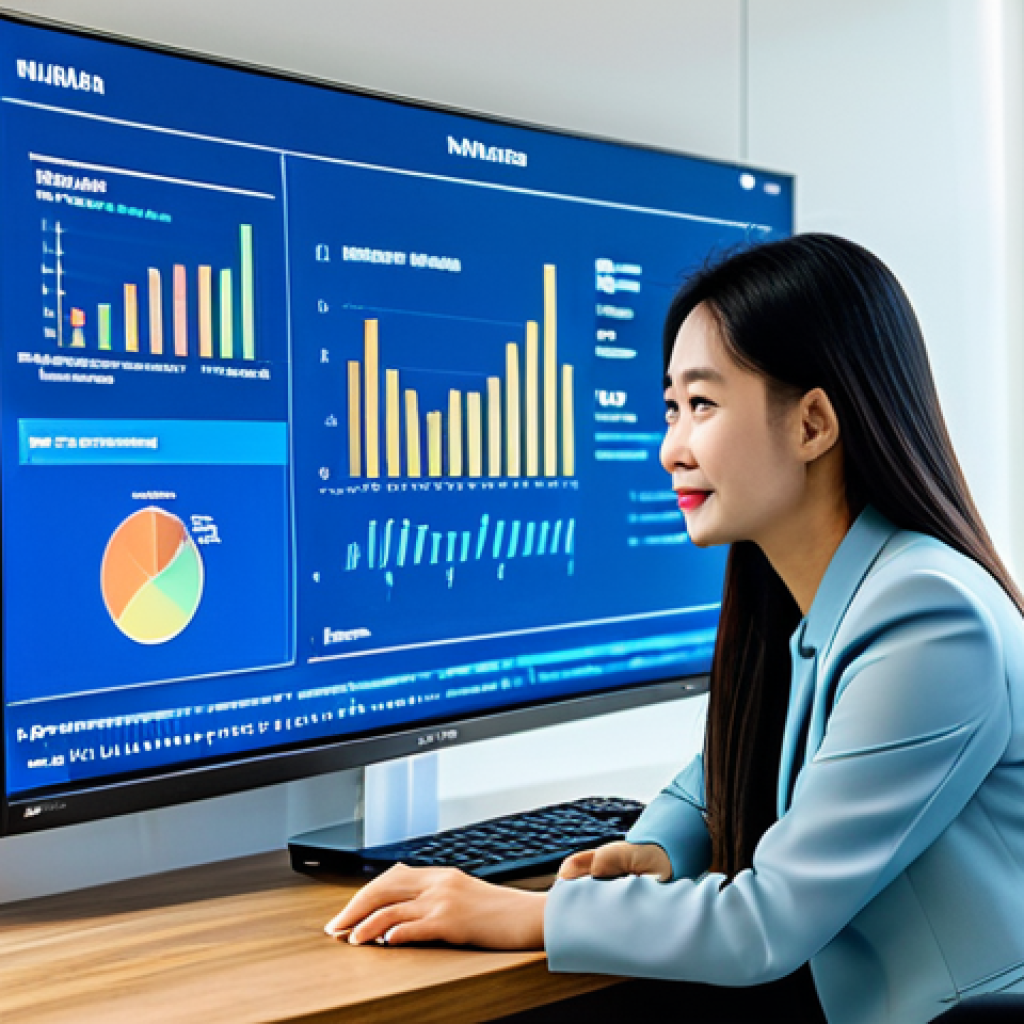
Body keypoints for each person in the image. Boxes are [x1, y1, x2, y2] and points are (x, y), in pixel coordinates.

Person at [324, 234, 1024, 1024]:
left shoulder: (929, 620)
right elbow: (731, 769)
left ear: (813, 424)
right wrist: (657, 845)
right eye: (670, 408)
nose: (669, 449)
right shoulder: (837, 596)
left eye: (702, 405)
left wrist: (525, 914)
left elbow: (764, 924)